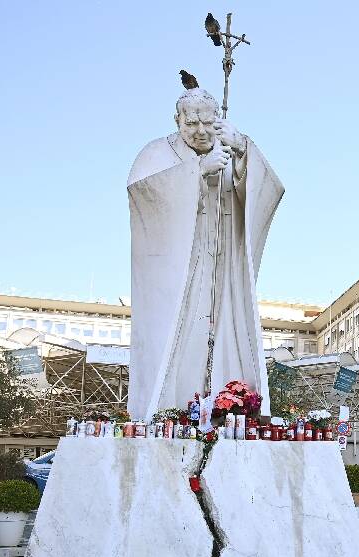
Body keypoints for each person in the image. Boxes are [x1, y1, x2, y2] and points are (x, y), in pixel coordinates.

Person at [127, 83, 284, 420]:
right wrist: (195, 173)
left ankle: (232, 406)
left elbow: (269, 191)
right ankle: (168, 412)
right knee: (177, 340)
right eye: (191, 124)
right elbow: (144, 196)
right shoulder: (156, 154)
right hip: (181, 269)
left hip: (224, 267)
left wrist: (243, 150)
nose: (200, 131)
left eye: (207, 123)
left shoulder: (231, 150)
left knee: (229, 329)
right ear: (177, 120)